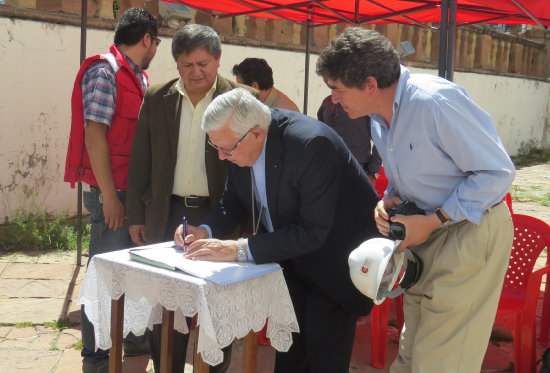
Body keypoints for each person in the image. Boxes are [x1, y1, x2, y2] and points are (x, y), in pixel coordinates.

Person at [316, 27, 516, 373]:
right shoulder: (378, 117)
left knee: (440, 362)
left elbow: (497, 172)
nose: (333, 99)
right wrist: (390, 200)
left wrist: (435, 219)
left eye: (337, 89)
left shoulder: (433, 101)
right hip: (426, 234)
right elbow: (416, 174)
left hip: (469, 230)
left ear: (369, 85)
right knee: (411, 357)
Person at [174, 88, 380, 373]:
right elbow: (232, 202)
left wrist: (239, 250)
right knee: (289, 355)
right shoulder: (241, 145)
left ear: (257, 133)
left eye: (226, 149)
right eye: (216, 148)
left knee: (323, 358)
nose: (221, 157)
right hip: (290, 261)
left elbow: (313, 231)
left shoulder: (311, 144)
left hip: (333, 264)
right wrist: (205, 230)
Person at [126, 24, 256, 373]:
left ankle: (214, 367)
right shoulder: (157, 98)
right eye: (187, 65)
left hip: (222, 215)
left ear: (218, 60)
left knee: (218, 304)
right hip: (166, 213)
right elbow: (142, 157)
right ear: (177, 64)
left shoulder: (240, 99)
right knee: (165, 306)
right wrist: (136, 214)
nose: (196, 72)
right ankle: (166, 365)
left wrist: (247, 225)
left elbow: (253, 163)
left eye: (203, 63)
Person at [63, 7, 159, 373]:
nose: (155, 50)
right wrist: (109, 197)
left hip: (129, 193)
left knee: (132, 272)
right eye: (156, 42)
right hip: (113, 193)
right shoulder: (107, 71)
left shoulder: (136, 77)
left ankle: (134, 343)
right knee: (103, 278)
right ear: (148, 39)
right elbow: (94, 134)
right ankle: (98, 359)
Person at [317, 95, 382, 185]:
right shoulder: (327, 102)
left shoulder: (365, 103)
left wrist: (373, 172)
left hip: (358, 171)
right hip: (329, 172)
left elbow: (380, 138)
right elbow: (320, 134)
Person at [232, 57, 300, 111]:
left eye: (240, 87)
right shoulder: (266, 102)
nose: (238, 91)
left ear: (254, 86)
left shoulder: (280, 113)